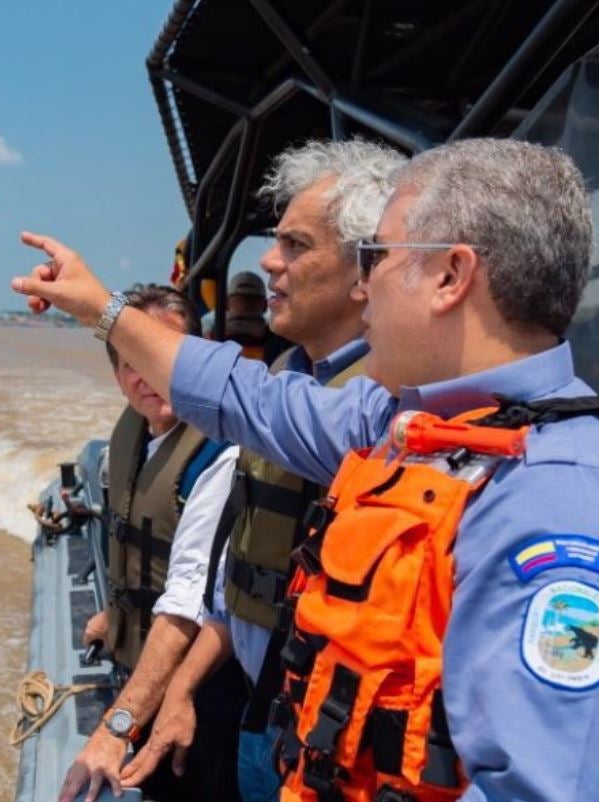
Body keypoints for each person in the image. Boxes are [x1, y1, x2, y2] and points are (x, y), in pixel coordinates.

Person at [12, 138, 599, 802]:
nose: (363, 280)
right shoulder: (405, 428)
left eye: (377, 254)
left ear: (449, 275)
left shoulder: (572, 500)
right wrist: (98, 308)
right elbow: (241, 396)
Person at [119, 138, 406, 802]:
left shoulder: (383, 409)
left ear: (366, 271)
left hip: (328, 734)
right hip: (264, 706)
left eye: (295, 246)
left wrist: (104, 313)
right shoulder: (287, 375)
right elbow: (236, 564)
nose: (270, 262)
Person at [67, 283, 245, 802]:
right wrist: (116, 616)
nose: (147, 374)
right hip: (135, 660)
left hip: (197, 693)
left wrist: (113, 729)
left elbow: (191, 600)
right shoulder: (135, 433)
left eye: (162, 355)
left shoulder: (219, 455)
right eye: (130, 361)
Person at [226, 270, 271, 360]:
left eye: (250, 300)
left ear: (226, 303)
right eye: (242, 300)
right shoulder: (284, 342)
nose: (245, 304)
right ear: (266, 305)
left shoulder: (209, 338)